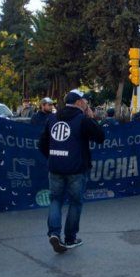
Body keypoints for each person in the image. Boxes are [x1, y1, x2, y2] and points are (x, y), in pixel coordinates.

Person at [39, 89, 105, 253]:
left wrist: (54, 156)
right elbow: (100, 137)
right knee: (75, 203)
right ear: (79, 103)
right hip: (76, 169)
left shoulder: (52, 118)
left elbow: (42, 144)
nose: (86, 104)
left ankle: (54, 233)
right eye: (85, 101)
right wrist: (91, 117)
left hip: (55, 167)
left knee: (55, 200)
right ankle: (70, 238)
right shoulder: (82, 119)